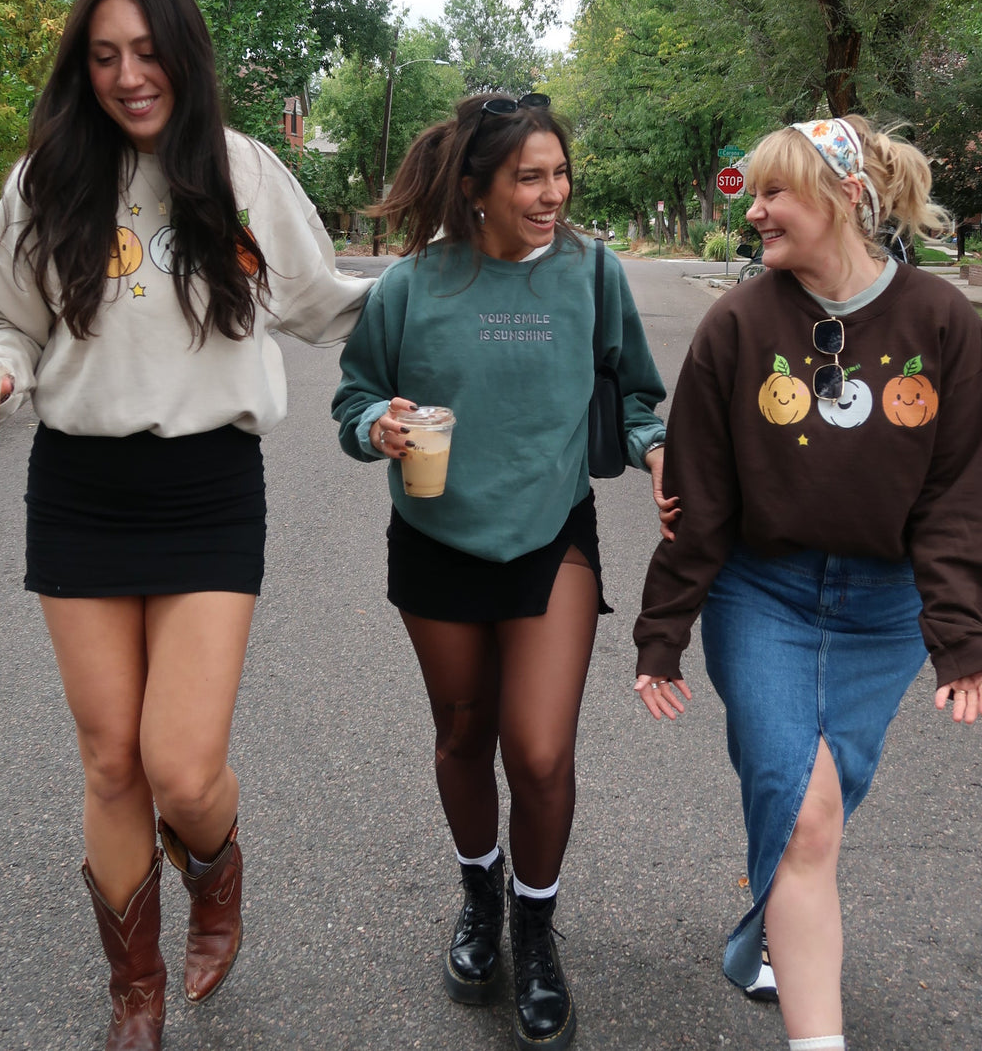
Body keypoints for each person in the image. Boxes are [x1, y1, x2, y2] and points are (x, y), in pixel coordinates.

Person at [0, 0, 374, 1051]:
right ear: (81, 68)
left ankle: (217, 866)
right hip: (83, 491)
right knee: (109, 760)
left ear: (183, 55)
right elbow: (2, 315)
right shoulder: (48, 176)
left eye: (146, 52)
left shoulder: (240, 172)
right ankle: (132, 992)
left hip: (206, 489)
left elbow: (327, 305)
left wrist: (446, 318)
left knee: (181, 767)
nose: (128, 76)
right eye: (104, 56)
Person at [632, 116, 982, 1051]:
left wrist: (957, 634)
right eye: (752, 193)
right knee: (805, 811)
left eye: (775, 193)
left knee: (813, 818)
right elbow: (700, 500)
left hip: (884, 610)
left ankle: (769, 932)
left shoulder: (943, 321)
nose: (754, 213)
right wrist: (662, 629)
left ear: (845, 196)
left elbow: (954, 497)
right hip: (764, 594)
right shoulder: (738, 323)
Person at [332, 92, 668, 1051]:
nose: (553, 192)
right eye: (531, 176)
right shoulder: (410, 288)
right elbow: (355, 396)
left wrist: (653, 449)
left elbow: (638, 391)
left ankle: (534, 922)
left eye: (561, 173)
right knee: (463, 730)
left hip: (551, 534)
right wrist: (377, 429)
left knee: (540, 750)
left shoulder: (593, 274)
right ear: (475, 187)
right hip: (436, 536)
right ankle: (480, 893)